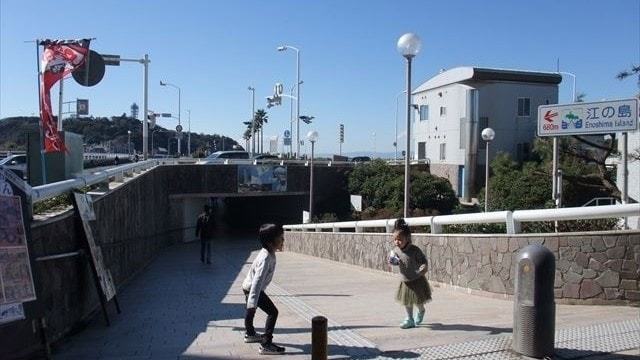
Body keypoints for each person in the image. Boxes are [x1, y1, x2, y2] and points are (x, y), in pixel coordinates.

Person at [241, 224, 286, 355]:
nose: (283, 240)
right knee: (273, 312)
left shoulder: (268, 253)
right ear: (270, 243)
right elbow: (257, 282)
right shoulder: (266, 258)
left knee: (251, 311)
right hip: (253, 288)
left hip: (249, 287)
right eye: (280, 238)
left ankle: (250, 334)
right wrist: (252, 302)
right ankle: (266, 344)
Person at [388, 218, 432, 329]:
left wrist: (423, 266)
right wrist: (392, 261)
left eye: (400, 239)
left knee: (418, 301)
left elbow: (423, 260)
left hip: (416, 279)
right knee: (407, 301)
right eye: (395, 240)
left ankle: (421, 310)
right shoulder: (396, 251)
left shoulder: (414, 250)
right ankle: (409, 319)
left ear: (407, 238)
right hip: (405, 281)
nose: (397, 242)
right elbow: (393, 261)